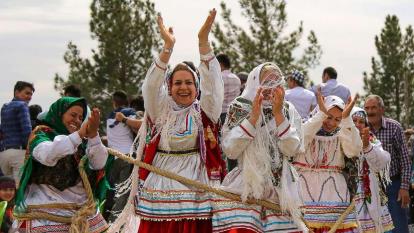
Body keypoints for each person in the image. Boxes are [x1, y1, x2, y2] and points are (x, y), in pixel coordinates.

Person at [109, 9, 226, 233]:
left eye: (189, 83)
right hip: (162, 182)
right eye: (178, 83)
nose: (183, 87)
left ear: (197, 87)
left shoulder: (204, 113)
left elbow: (214, 86)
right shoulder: (160, 112)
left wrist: (203, 42)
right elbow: (151, 86)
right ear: (170, 88)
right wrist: (167, 47)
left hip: (196, 185)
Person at [212, 63, 306, 233]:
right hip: (246, 185)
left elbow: (292, 150)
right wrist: (253, 118)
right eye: (267, 83)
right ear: (256, 82)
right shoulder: (240, 107)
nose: (271, 89)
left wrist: (278, 116)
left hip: (281, 189)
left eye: (276, 83)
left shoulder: (288, 110)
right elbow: (231, 150)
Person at [13, 97, 109, 232]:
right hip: (46, 212)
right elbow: (48, 154)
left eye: (81, 117)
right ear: (59, 114)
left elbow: (99, 164)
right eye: (73, 115)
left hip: (82, 214)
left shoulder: (84, 142)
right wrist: (79, 135)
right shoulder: (41, 134)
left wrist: (93, 136)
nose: (77, 120)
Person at [293, 93, 362, 232]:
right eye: (328, 116)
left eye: (337, 119)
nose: (331, 123)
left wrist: (347, 120)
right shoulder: (305, 127)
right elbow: (298, 143)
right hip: (303, 190)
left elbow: (353, 150)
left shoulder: (342, 133)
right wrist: (320, 116)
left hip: (334, 192)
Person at [364, 94, 411, 233]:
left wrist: (404, 187)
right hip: (369, 187)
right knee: (375, 227)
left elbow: (405, 160)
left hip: (393, 186)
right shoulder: (361, 128)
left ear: (382, 110)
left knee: (399, 226)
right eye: (367, 108)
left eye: (373, 107)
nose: (370, 111)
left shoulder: (394, 127)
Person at [351, 107, 394, 233]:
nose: (357, 125)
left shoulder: (372, 140)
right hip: (347, 193)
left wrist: (367, 146)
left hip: (369, 191)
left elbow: (383, 160)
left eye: (361, 122)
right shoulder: (340, 138)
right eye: (354, 121)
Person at [104, 91, 137, 222]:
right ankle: (114, 223)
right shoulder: (129, 112)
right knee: (123, 193)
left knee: (111, 192)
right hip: (127, 157)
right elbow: (137, 128)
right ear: (126, 101)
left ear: (114, 102)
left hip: (113, 158)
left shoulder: (109, 116)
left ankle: (105, 220)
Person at [0, 81, 34, 185]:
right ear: (17, 92)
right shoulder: (22, 105)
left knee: (6, 192)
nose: (29, 97)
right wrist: (30, 149)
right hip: (18, 153)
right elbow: (27, 131)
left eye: (31, 94)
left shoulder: (4, 107)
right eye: (27, 93)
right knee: (19, 191)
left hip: (3, 154)